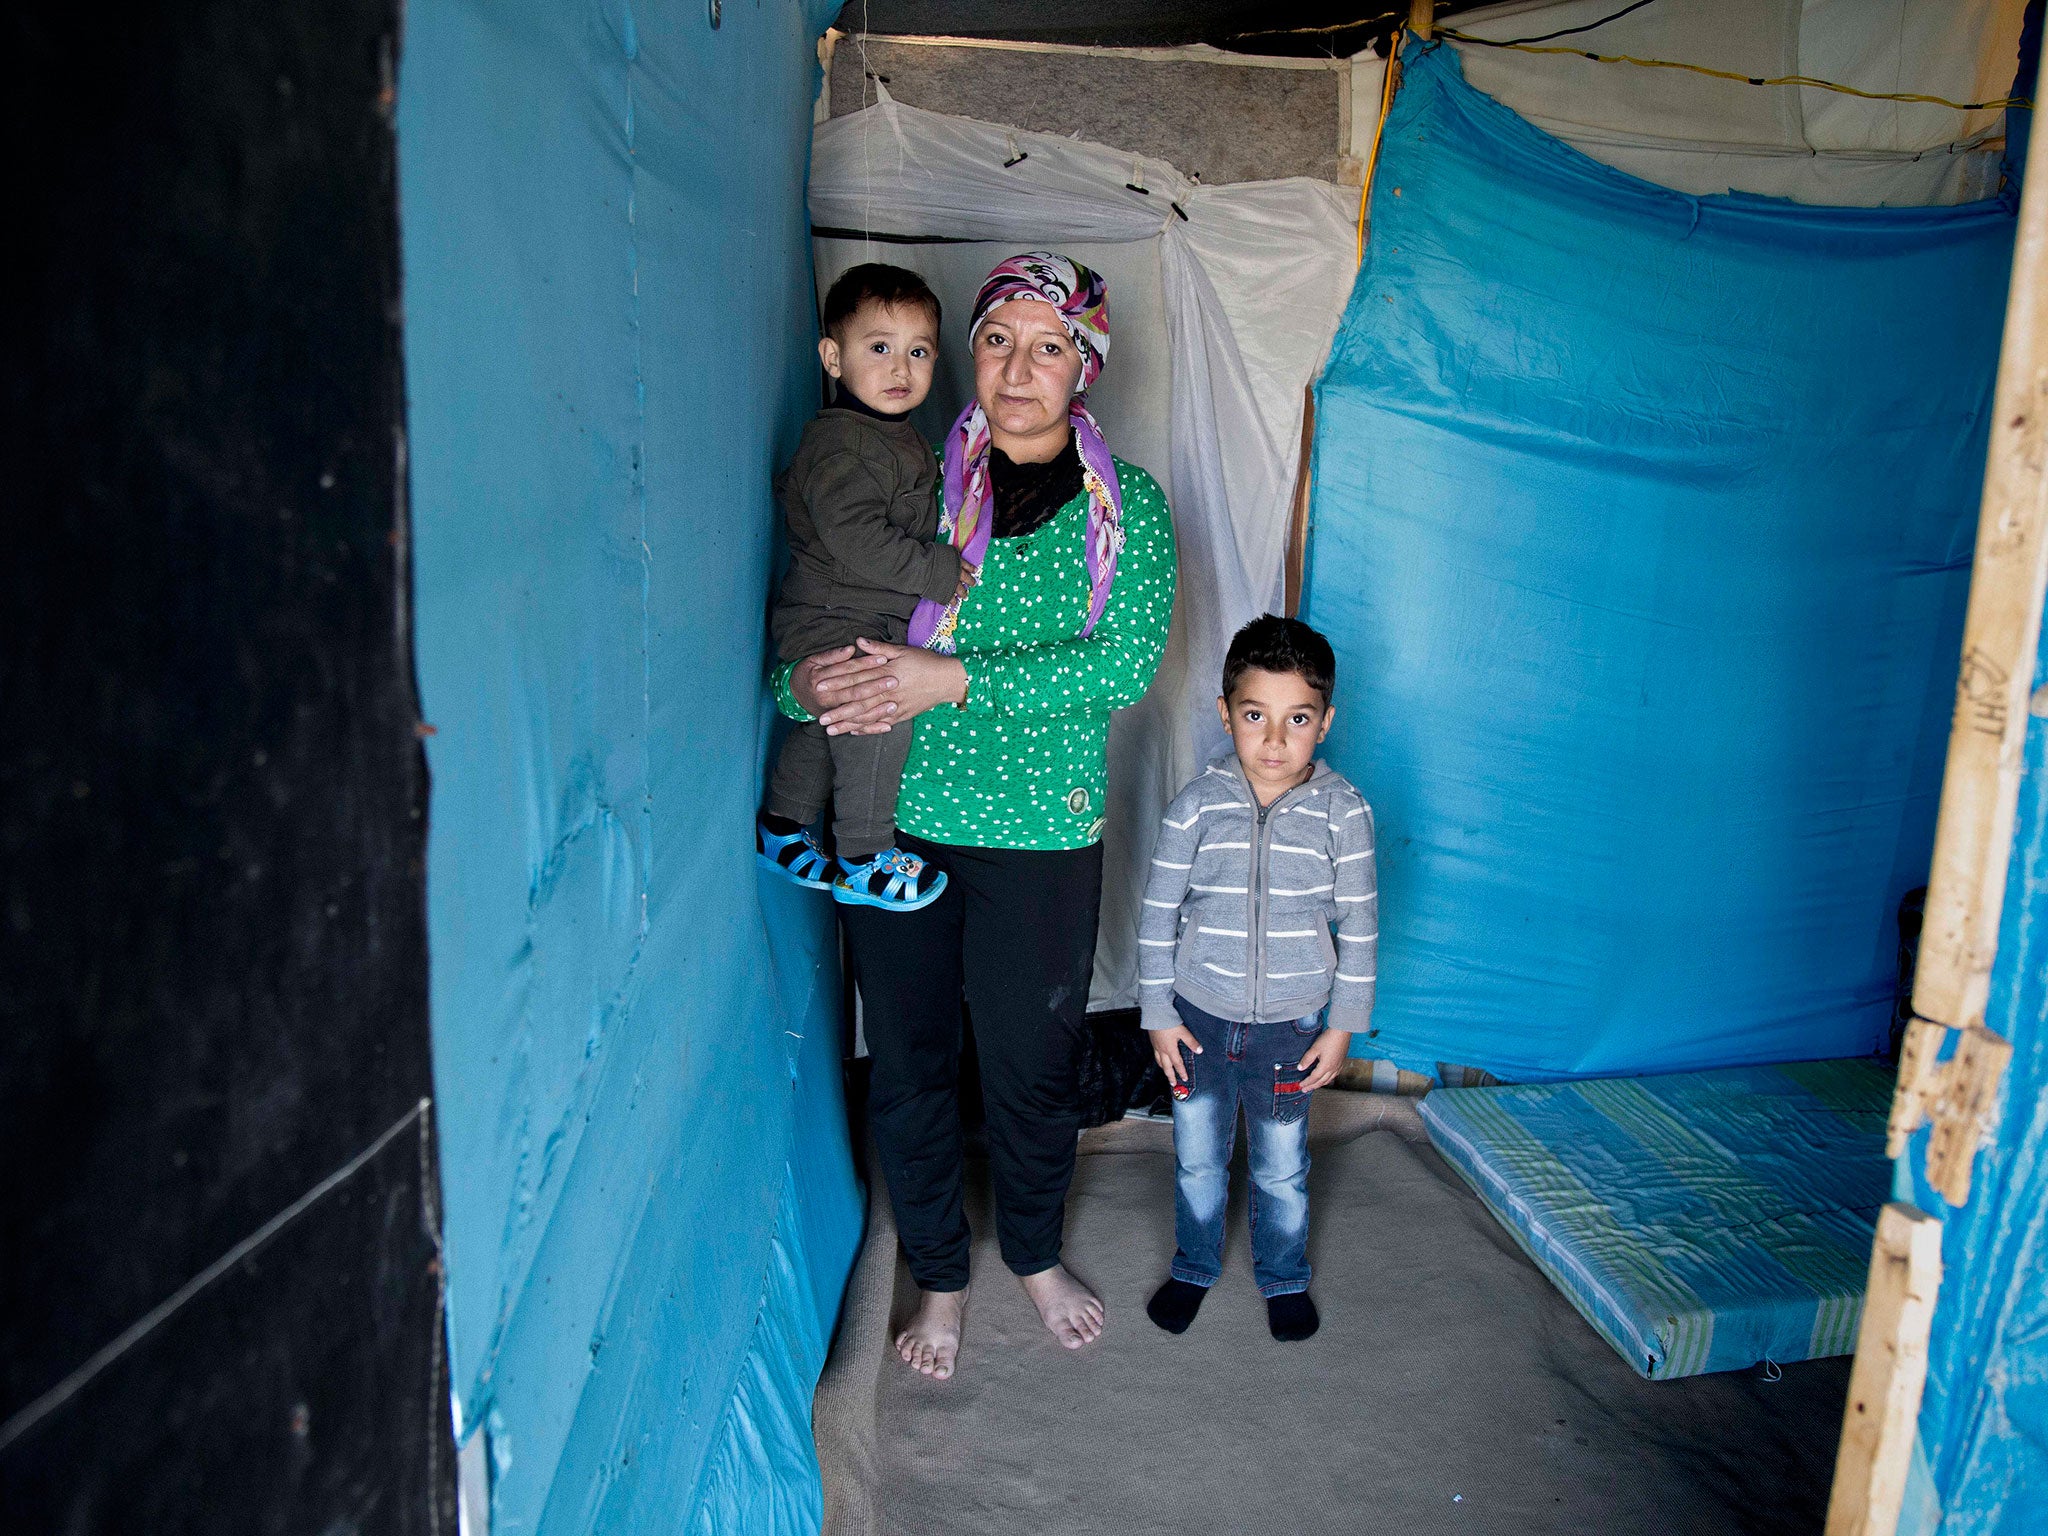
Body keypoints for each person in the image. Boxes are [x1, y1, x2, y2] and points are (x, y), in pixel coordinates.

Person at [773, 253, 1177, 1378]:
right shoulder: (905, 478)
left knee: (1031, 1066)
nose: (1017, 367)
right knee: (906, 1064)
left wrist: (947, 680)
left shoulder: (1125, 506)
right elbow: (810, 625)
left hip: (1042, 832)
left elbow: (1122, 665)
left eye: (1049, 345)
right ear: (972, 353)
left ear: (1084, 366)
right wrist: (800, 688)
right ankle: (940, 1277)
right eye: (998, 337)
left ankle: (1035, 1255)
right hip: (891, 822)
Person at [1138, 614, 1378, 1343]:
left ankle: (1283, 1276)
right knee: (1198, 1159)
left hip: (1292, 1029)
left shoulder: (1345, 813)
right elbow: (1157, 912)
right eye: (1254, 716)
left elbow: (1361, 929)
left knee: (1280, 1167)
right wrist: (1157, 1011)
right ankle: (1193, 1265)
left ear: (1325, 722)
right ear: (1225, 714)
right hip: (1198, 1021)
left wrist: (1341, 1027)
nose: (1274, 741)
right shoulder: (1196, 806)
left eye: (1296, 718)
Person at [756, 263, 961, 912]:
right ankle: (865, 856)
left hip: (857, 617)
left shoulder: (897, 440)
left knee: (829, 727)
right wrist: (939, 570)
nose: (900, 367)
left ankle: (782, 828)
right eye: (880, 347)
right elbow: (856, 537)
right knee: (878, 713)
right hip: (831, 615)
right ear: (832, 357)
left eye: (918, 350)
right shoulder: (843, 443)